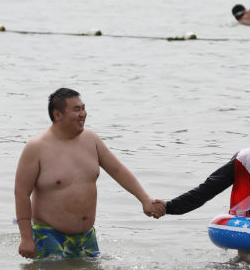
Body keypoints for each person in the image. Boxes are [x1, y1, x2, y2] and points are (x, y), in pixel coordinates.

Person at [14, 88, 158, 259]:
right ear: (57, 114)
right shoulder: (36, 147)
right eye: (76, 109)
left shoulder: (91, 140)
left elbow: (117, 170)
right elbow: (21, 193)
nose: (83, 114)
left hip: (86, 237)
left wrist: (145, 199)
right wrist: (26, 238)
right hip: (49, 236)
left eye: (83, 108)